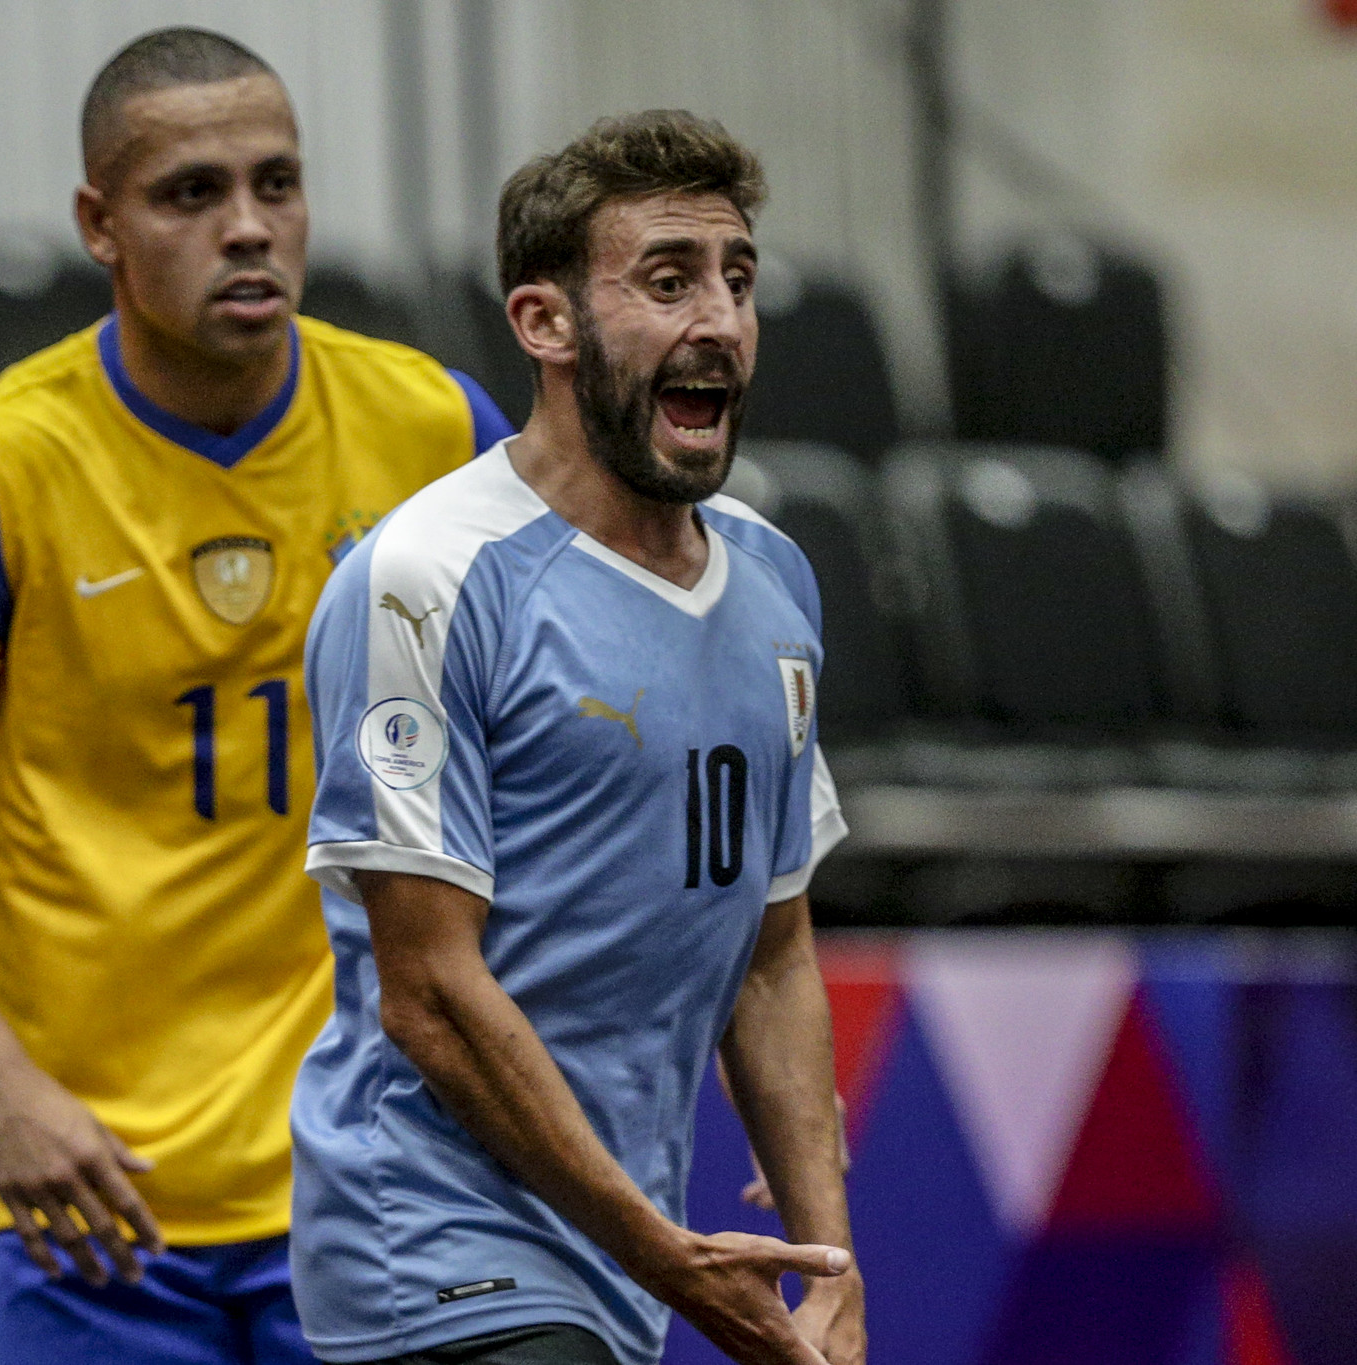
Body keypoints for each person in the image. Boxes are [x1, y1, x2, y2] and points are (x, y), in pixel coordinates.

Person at [0, 27, 515, 1365]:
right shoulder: (6, 464)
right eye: (191, 193)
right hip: (99, 1207)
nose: (248, 227)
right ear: (98, 223)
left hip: (382, 1188)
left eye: (275, 184)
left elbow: (572, 742)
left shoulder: (437, 432)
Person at [292, 111, 862, 1365]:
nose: (717, 317)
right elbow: (430, 995)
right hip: (435, 1246)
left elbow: (770, 956)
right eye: (667, 281)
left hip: (621, 1255)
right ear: (545, 323)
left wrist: (832, 1279)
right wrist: (669, 1260)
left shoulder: (773, 580)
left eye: (736, 278)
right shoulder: (428, 578)